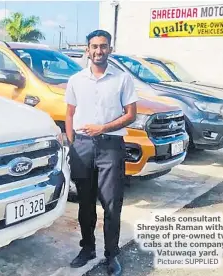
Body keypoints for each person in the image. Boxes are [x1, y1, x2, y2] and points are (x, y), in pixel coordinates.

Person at [64, 30, 138, 276]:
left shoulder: (122, 79)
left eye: (103, 46)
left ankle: (111, 256)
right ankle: (87, 249)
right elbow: (70, 114)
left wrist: (103, 128)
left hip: (110, 147)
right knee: (85, 204)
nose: (98, 51)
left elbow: (131, 114)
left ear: (110, 49)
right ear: (87, 49)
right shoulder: (76, 79)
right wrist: (73, 144)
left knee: (111, 205)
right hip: (82, 147)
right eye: (94, 46)